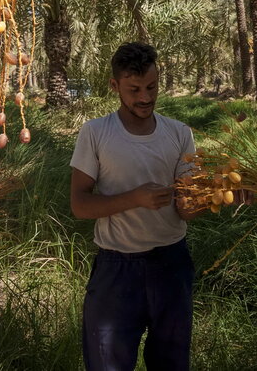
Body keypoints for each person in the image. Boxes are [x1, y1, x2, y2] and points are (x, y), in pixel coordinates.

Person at [69, 42, 247, 371]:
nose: (145, 97)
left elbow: (185, 209)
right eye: (134, 89)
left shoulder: (178, 134)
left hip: (171, 265)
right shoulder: (95, 133)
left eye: (151, 87)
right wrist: (134, 199)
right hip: (116, 271)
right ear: (114, 87)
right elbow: (80, 205)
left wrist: (218, 195)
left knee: (171, 363)